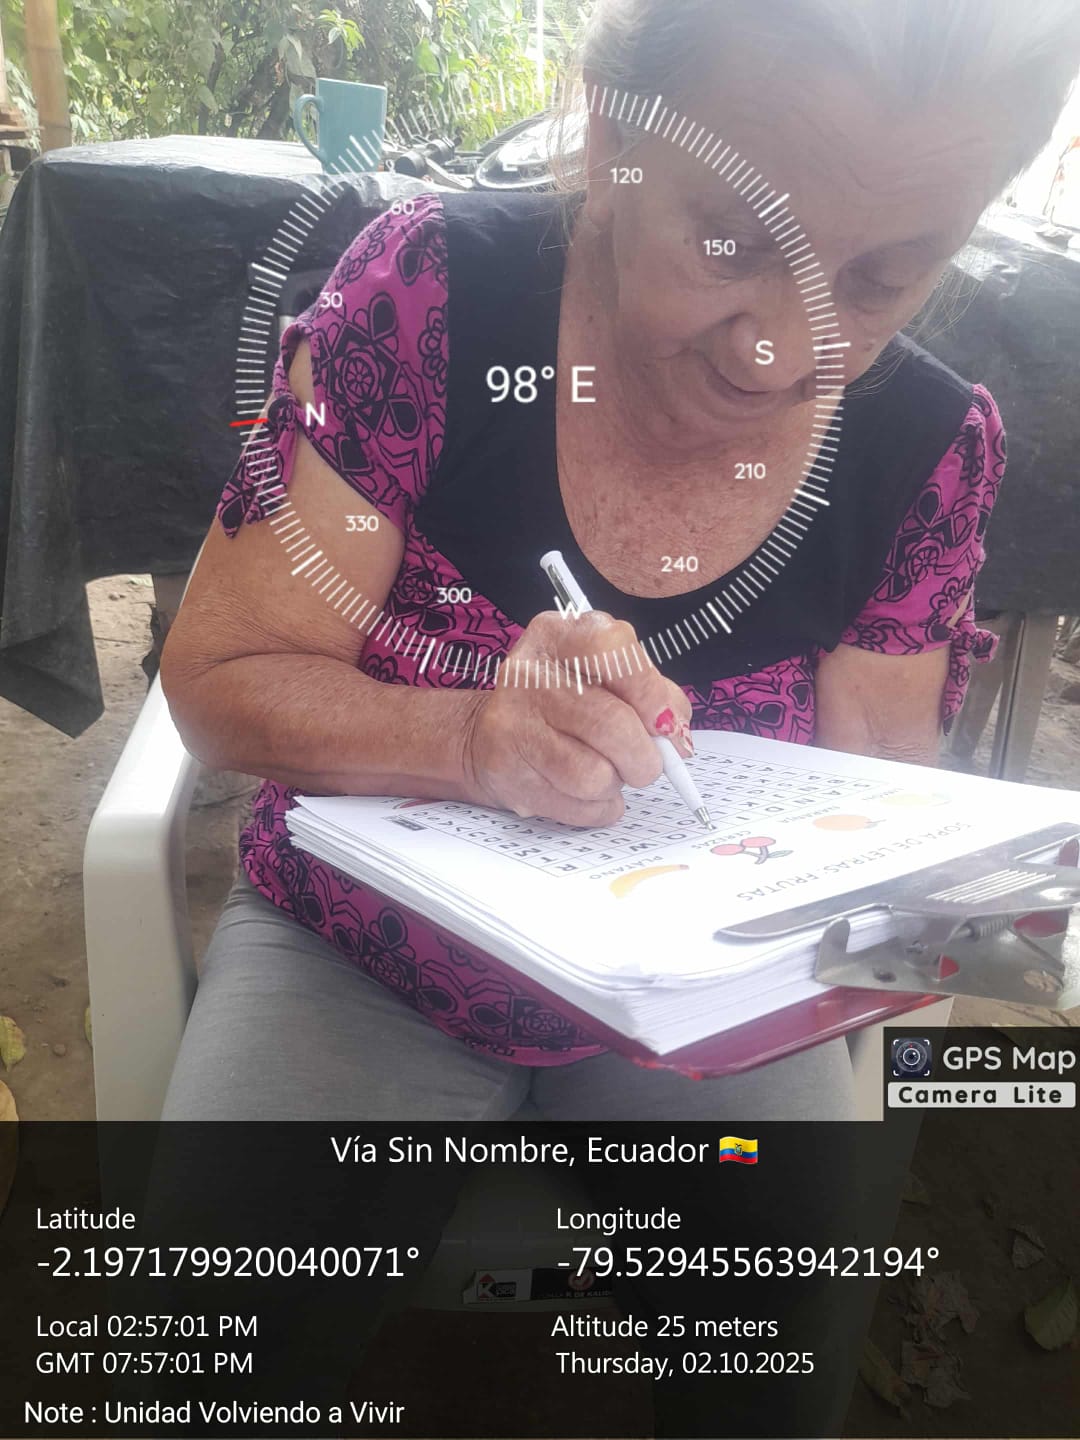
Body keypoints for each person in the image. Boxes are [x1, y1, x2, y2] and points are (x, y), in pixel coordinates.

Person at [160, 0, 1080, 1130]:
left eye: (879, 282)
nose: (780, 355)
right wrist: (466, 740)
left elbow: (881, 811)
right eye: (732, 242)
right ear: (611, 141)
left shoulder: (920, 449)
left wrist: (962, 910)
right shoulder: (430, 300)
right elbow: (226, 676)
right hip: (361, 945)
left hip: (707, 998)